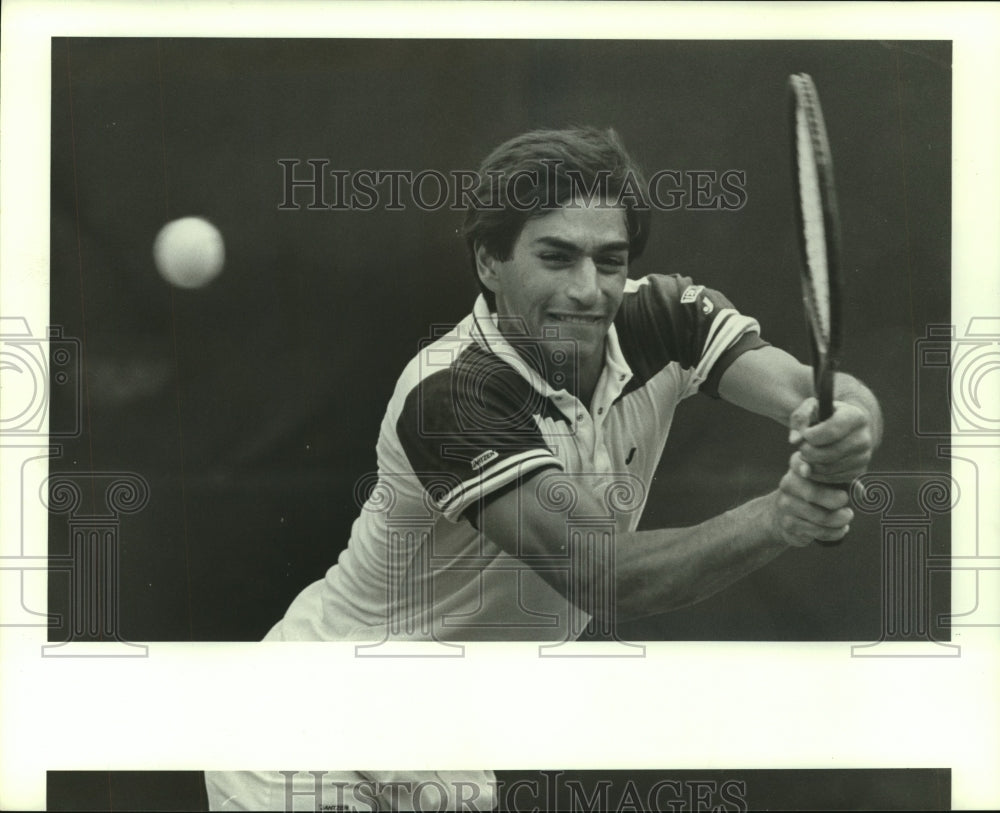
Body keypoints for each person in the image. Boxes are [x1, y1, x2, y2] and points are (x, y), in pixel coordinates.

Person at [205, 127, 881, 811]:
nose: (588, 289)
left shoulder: (667, 318)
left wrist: (850, 429)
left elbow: (821, 392)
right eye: (556, 257)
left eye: (610, 261)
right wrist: (779, 517)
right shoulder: (453, 393)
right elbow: (604, 574)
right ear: (489, 262)